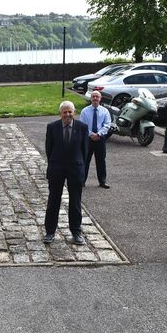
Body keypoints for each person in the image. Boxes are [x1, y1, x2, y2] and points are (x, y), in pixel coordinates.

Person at [44, 101, 88, 245]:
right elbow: (48, 149)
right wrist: (53, 165)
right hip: (57, 168)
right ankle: (50, 232)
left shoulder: (82, 127)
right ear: (60, 113)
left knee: (75, 202)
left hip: (75, 168)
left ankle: (76, 232)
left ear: (74, 112)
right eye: (65, 112)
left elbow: (85, 151)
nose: (67, 114)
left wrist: (81, 168)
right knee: (53, 200)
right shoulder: (52, 127)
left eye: (70, 112)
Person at [77, 91, 112, 189]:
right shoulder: (84, 111)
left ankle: (102, 181)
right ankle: (82, 181)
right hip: (88, 139)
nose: (95, 98)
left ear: (100, 99)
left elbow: (107, 124)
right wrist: (91, 134)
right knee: (85, 160)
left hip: (100, 138)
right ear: (91, 98)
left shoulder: (105, 111)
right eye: (93, 97)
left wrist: (99, 134)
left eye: (97, 97)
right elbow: (82, 125)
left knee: (101, 161)